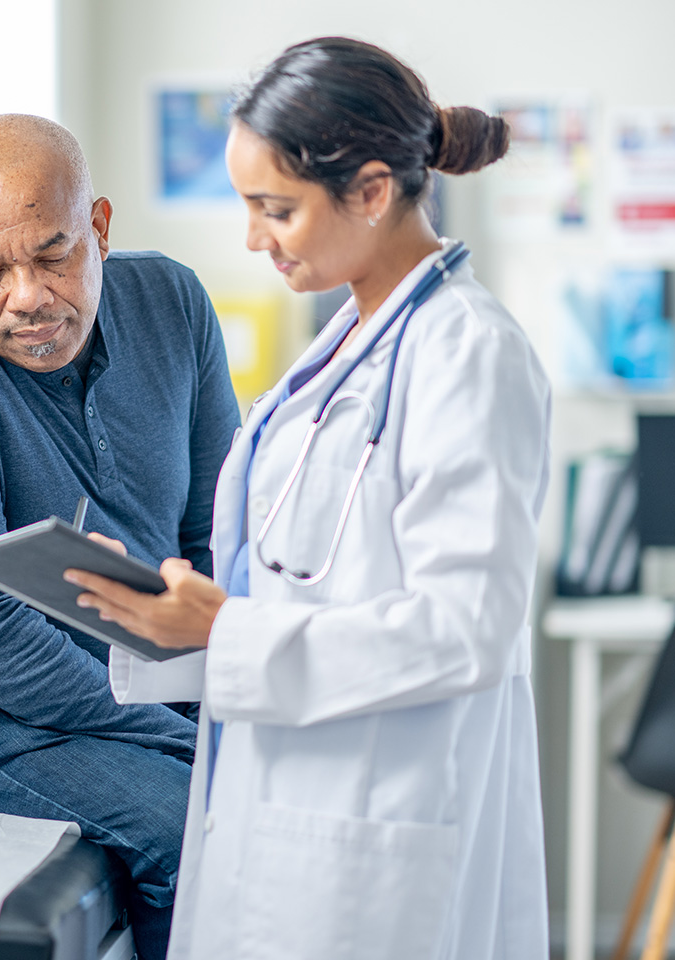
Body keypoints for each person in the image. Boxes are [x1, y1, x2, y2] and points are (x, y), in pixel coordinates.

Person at [66, 37, 552, 960]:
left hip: (381, 819)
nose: (253, 238)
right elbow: (303, 585)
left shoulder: (469, 354)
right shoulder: (345, 343)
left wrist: (227, 633)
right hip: (286, 798)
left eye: (275, 209)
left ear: (371, 191)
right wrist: (178, 627)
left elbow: (467, 628)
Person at [0, 114, 241, 960]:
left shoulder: (173, 303)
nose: (26, 297)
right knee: (196, 821)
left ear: (98, 227)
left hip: (132, 667)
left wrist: (230, 694)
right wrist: (181, 733)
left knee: (280, 787)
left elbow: (214, 536)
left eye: (52, 256)